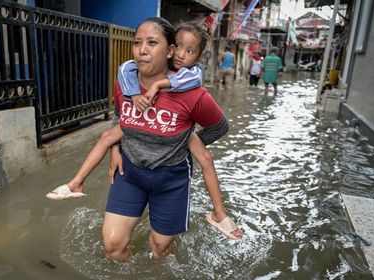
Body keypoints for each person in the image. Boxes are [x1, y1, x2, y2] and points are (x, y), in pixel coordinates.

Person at [47, 18, 242, 260]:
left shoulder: (194, 94)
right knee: (112, 245)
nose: (142, 50)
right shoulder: (126, 82)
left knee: (160, 249)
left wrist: (186, 141)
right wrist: (115, 149)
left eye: (152, 43)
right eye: (137, 43)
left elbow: (219, 128)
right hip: (130, 173)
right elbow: (119, 117)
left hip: (171, 178)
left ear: (168, 50)